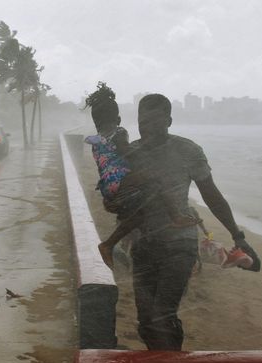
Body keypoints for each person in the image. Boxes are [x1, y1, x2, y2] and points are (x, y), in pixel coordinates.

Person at [126, 93, 261, 351]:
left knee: (162, 315)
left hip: (180, 243)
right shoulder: (132, 153)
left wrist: (238, 236)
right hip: (144, 243)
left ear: (169, 121)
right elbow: (123, 200)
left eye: (155, 121)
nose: (148, 128)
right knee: (145, 321)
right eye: (143, 121)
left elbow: (211, 195)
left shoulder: (187, 150)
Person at [83, 83, 197, 267]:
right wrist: (143, 155)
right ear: (118, 118)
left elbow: (108, 159)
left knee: (139, 213)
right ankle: (176, 216)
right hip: (120, 180)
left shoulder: (95, 140)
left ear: (96, 122)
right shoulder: (119, 132)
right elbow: (125, 152)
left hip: (107, 186)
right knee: (158, 180)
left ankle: (109, 244)